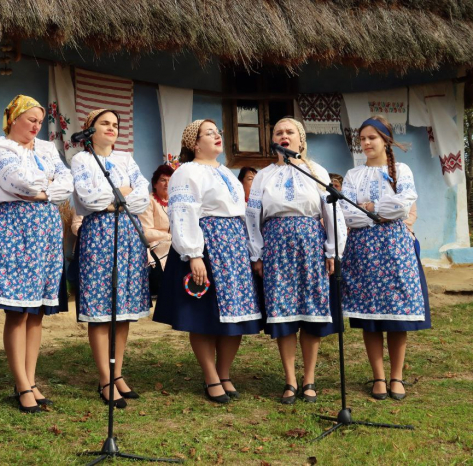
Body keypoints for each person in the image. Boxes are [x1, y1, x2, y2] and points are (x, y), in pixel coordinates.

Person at [153, 120, 262, 404]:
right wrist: (194, 255)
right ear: (194, 143)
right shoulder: (187, 171)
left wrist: (250, 251)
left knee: (236, 314)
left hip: (234, 247)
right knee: (203, 315)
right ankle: (211, 376)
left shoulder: (225, 171)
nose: (217, 136)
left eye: (218, 132)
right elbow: (183, 212)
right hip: (207, 244)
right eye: (209, 133)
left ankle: (224, 374)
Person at [245, 118, 347, 404]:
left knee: (311, 312)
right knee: (285, 313)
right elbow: (252, 217)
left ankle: (309, 379)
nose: (284, 135)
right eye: (279, 132)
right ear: (273, 140)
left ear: (301, 140)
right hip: (276, 247)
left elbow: (332, 214)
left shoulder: (316, 171)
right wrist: (257, 254)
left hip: (311, 246)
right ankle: (290, 379)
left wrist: (332, 251)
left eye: (290, 131)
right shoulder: (264, 176)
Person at [0, 95, 73, 413]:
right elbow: (19, 183)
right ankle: (21, 383)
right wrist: (46, 185)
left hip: (47, 229)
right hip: (16, 228)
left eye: (39, 121)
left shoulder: (47, 149)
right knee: (19, 309)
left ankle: (31, 379)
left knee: (37, 310)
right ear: (14, 119)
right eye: (30, 120)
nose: (36, 126)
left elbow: (68, 182)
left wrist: (43, 191)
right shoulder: (1, 148)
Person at [340, 115, 429, 401]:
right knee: (370, 315)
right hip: (363, 251)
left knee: (396, 314)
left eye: (372, 138)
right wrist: (379, 212)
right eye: (362, 138)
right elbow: (347, 213)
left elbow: (402, 207)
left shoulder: (401, 170)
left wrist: (369, 207)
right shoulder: (353, 175)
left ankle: (396, 376)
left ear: (385, 140)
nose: (366, 143)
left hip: (395, 249)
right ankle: (378, 376)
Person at [71, 109, 151, 409]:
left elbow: (143, 197)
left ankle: (118, 374)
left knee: (123, 308)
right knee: (101, 308)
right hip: (99, 235)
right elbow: (87, 198)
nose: (111, 128)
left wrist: (113, 198)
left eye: (115, 124)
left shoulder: (126, 159)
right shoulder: (81, 160)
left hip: (128, 234)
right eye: (104, 123)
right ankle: (105, 379)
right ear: (90, 128)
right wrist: (121, 195)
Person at [139, 164, 174, 270]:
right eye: (163, 180)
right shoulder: (148, 201)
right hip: (155, 246)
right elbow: (146, 232)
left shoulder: (175, 202)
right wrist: (170, 237)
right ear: (155, 184)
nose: (167, 184)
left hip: (173, 245)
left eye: (170, 180)